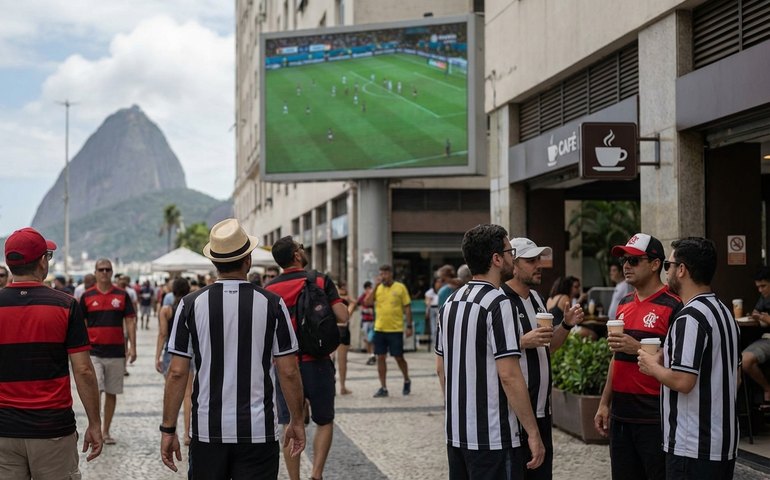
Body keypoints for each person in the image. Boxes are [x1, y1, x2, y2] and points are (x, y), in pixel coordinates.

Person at [161, 219, 306, 478]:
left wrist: (168, 429)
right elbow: (289, 371)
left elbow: (177, 373)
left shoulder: (190, 305)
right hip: (258, 431)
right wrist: (296, 420)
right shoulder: (272, 304)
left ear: (214, 262)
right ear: (248, 260)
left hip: (207, 431)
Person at [435, 224, 545, 478]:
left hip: (457, 433)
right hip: (493, 437)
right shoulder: (498, 303)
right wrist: (533, 431)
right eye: (509, 251)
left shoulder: (451, 301)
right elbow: (509, 375)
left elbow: (440, 367)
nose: (512, 257)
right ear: (496, 259)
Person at [0, 227, 102, 476]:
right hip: (52, 429)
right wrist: (95, 424)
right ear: (43, 262)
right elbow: (84, 370)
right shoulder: (66, 306)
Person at [638, 237, 739, 479]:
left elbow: (683, 382)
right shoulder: (724, 313)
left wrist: (652, 366)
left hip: (692, 446)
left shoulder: (689, 317)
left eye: (668, 265)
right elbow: (734, 378)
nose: (667, 272)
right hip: (723, 444)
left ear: (681, 270)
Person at [594, 233, 682, 480]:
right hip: (621, 415)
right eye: (624, 260)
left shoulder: (674, 306)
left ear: (655, 264)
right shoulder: (623, 303)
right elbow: (616, 358)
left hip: (654, 417)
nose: (625, 266)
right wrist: (604, 403)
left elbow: (678, 361)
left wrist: (638, 348)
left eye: (634, 260)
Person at [265, 235, 348, 480]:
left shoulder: (269, 289)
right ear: (297, 255)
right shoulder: (320, 280)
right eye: (301, 247)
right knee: (324, 420)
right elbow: (342, 316)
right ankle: (317, 474)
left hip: (284, 367)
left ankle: (294, 479)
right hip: (318, 363)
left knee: (290, 424)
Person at [501, 237, 584, 480]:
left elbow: (548, 348)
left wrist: (566, 325)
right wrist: (521, 342)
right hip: (514, 413)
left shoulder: (537, 299)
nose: (538, 264)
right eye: (530, 260)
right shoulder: (500, 300)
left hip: (542, 410)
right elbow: (488, 352)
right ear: (513, 264)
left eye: (539, 259)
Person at [80, 258, 137, 445]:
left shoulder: (122, 295)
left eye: (107, 269)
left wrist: (133, 347)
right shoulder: (87, 296)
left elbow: (130, 320)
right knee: (96, 390)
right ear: (95, 272)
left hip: (116, 352)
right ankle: (95, 426)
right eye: (101, 269)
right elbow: (81, 324)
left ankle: (106, 431)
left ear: (112, 272)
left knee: (112, 392)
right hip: (94, 352)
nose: (104, 272)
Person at [364, 264, 413, 398]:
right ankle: (383, 387)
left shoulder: (400, 287)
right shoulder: (378, 288)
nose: (383, 276)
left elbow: (407, 307)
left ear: (391, 274)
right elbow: (367, 302)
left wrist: (409, 326)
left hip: (395, 329)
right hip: (379, 328)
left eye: (385, 274)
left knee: (398, 357)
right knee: (380, 357)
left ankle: (407, 379)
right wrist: (375, 286)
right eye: (381, 274)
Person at [154, 277, 193, 446]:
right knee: (188, 395)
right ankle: (187, 434)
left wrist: (157, 356)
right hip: (190, 353)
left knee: (171, 392)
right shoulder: (193, 307)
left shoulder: (166, 310)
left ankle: (172, 430)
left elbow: (163, 333)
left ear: (172, 291)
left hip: (171, 352)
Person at [739, 266, 770, 404]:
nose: (760, 290)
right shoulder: (764, 298)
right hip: (765, 338)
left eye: (763, 286)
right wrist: (760, 317)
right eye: (758, 287)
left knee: (744, 360)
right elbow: (756, 312)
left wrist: (766, 318)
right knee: (742, 360)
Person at [336, 280, 355, 395]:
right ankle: (342, 386)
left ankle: (338, 386)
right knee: (342, 361)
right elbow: (347, 315)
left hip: (335, 329)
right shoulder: (347, 302)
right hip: (342, 329)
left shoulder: (334, 300)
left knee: (333, 360)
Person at [357, 281, 376, 365]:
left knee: (371, 339)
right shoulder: (363, 296)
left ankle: (373, 354)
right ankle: (370, 355)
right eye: (369, 288)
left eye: (371, 288)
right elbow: (359, 302)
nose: (370, 290)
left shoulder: (373, 296)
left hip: (372, 321)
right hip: (365, 321)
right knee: (367, 339)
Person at [424, 277, 441, 350]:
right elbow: (427, 303)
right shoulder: (430, 292)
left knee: (440, 327)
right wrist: (427, 312)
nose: (439, 284)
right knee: (434, 328)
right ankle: (435, 344)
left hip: (440, 308)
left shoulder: (443, 290)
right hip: (432, 309)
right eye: (437, 282)